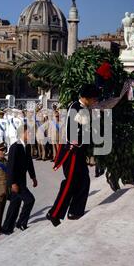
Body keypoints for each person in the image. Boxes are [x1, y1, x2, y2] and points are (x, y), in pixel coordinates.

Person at [47, 84, 99, 227]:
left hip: (79, 152)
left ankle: (75, 211)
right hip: (73, 152)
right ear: (87, 98)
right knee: (69, 183)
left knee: (84, 180)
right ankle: (54, 213)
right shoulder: (75, 108)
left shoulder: (84, 108)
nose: (95, 101)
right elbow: (73, 132)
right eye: (94, 99)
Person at [2, 124, 38, 234]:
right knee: (30, 200)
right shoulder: (15, 147)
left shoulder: (26, 146)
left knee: (14, 205)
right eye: (29, 132)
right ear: (23, 133)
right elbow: (10, 167)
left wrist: (33, 177)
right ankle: (21, 223)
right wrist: (12, 183)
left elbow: (29, 163)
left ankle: (7, 228)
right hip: (16, 182)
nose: (31, 134)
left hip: (22, 181)